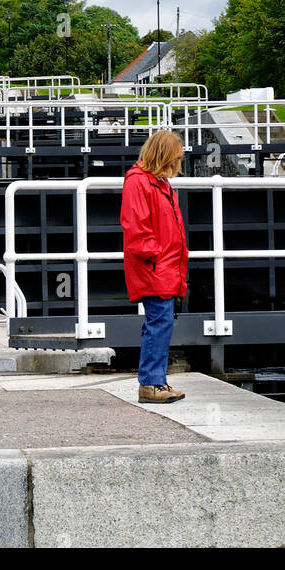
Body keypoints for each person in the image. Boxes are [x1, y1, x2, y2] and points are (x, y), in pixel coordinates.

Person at [120, 129, 189, 404]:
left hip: (165, 266)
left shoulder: (159, 184)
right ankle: (151, 383)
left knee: (161, 323)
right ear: (164, 157)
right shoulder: (139, 182)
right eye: (174, 159)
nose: (176, 165)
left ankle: (156, 381)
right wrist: (157, 256)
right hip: (156, 267)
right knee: (158, 323)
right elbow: (136, 228)